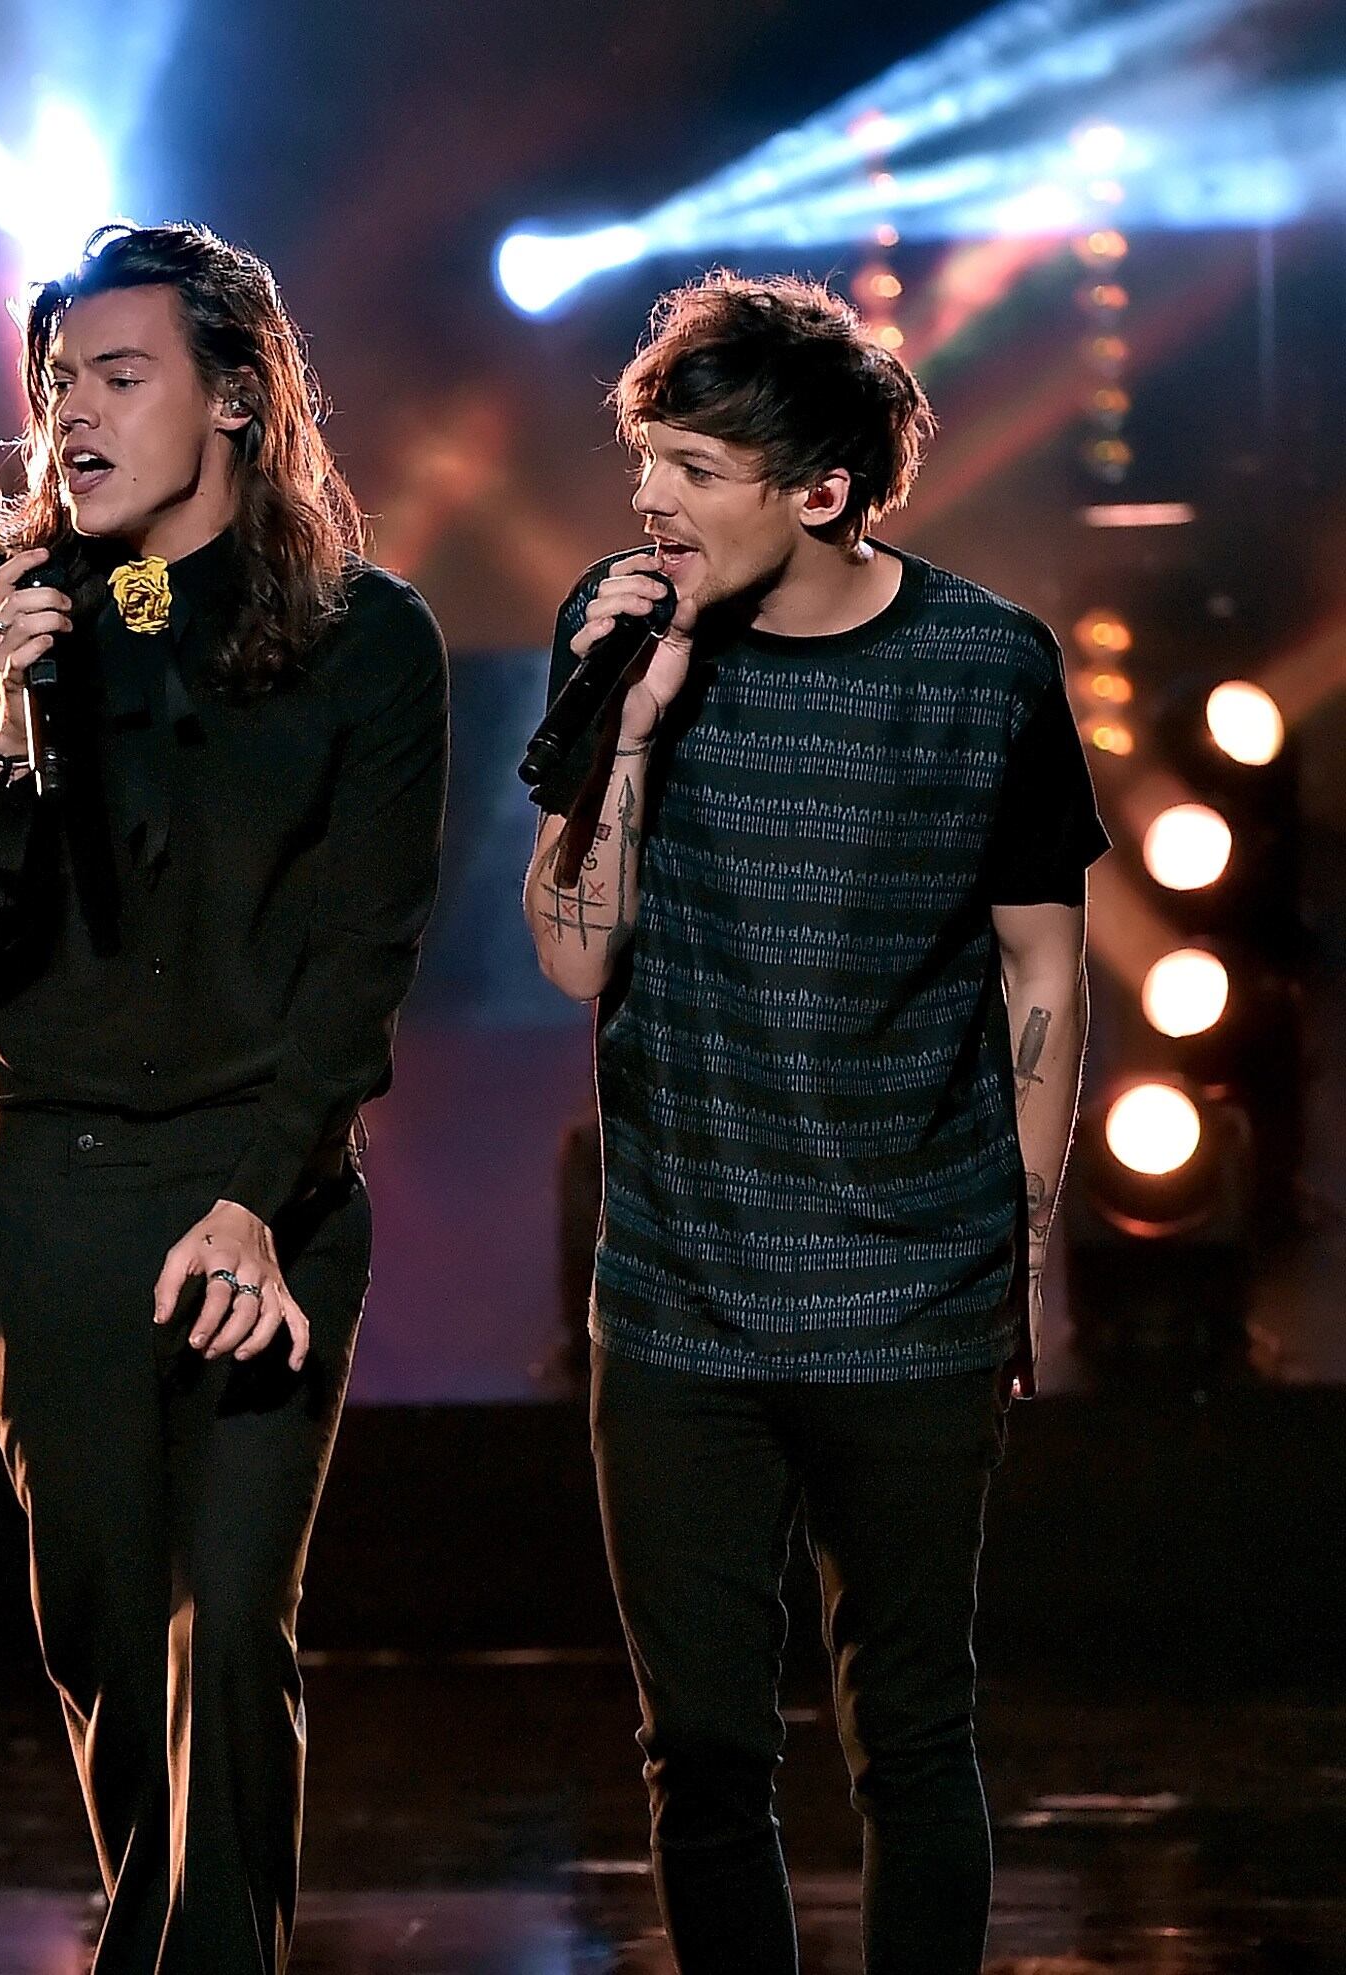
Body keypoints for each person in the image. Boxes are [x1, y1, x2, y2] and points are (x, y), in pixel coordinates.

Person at [520, 272, 1109, 1974]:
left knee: (911, 1736)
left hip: (913, 1295)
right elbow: (571, 957)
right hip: (679, 1301)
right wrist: (630, 728)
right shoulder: (621, 637)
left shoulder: (985, 666)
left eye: (696, 470)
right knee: (702, 1749)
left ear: (824, 490)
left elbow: (1041, 970)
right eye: (648, 460)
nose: (653, 499)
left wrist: (1019, 1254)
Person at [0, 221, 450, 1974]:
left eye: (120, 376)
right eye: (58, 379)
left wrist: (258, 1196)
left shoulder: (368, 640)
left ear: (235, 397)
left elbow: (362, 961)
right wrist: (10, 715)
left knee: (228, 1634)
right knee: (103, 1638)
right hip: (61, 1189)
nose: (73, 411)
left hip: (265, 1188)